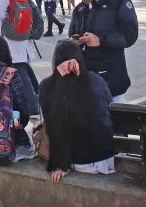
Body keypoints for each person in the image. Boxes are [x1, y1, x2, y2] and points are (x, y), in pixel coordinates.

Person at [38, 41, 116, 184]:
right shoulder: (96, 81)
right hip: (105, 157)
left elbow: (53, 129)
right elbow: (109, 112)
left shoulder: (46, 86)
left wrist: (61, 165)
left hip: (78, 161)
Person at [67, 0, 138, 103]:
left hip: (113, 77)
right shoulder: (80, 9)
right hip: (87, 78)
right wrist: (74, 42)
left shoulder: (119, 1)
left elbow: (130, 36)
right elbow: (73, 33)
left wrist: (101, 40)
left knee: (115, 120)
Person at [0, 0, 41, 116]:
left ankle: (33, 106)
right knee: (23, 68)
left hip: (11, 37)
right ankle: (37, 96)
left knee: (21, 71)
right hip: (22, 35)